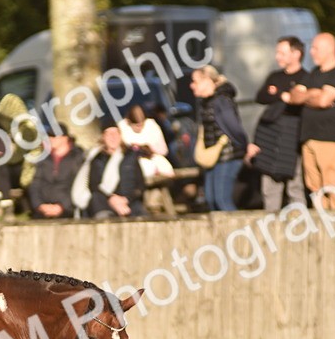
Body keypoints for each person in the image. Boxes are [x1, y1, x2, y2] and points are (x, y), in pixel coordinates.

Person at [283, 33, 335, 211]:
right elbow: (293, 96)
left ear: (330, 49)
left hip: (329, 138)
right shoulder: (313, 73)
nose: (311, 52)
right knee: (314, 185)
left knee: (332, 182)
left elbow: (324, 100)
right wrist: (315, 93)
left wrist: (310, 95)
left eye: (315, 48)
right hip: (308, 137)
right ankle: (321, 221)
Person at [245, 36, 307, 211]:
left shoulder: (306, 77)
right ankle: (271, 225)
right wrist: (282, 95)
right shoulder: (275, 76)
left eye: (282, 52)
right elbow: (261, 96)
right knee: (270, 186)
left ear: (296, 54)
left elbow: (300, 102)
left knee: (295, 186)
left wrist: (279, 94)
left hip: (293, 139)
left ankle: (299, 225)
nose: (277, 57)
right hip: (271, 139)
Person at [189, 65, 249, 211]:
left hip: (228, 156)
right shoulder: (206, 101)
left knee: (221, 199)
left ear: (207, 80)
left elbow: (234, 126)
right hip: (213, 157)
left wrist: (245, 145)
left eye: (195, 81)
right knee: (210, 199)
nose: (191, 86)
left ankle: (236, 232)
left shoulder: (221, 100)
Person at [72, 123, 147, 219]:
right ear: (103, 137)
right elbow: (94, 185)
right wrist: (112, 199)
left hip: (129, 202)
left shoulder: (130, 156)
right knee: (97, 204)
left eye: (116, 133)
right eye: (109, 134)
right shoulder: (96, 159)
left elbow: (140, 184)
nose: (113, 137)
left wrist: (125, 199)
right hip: (104, 202)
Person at [28, 121, 84, 218]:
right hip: (42, 210)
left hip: (68, 210)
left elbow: (78, 185)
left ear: (65, 138)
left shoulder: (77, 158)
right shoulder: (43, 159)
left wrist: (62, 206)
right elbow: (35, 184)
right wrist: (39, 205)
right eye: (49, 136)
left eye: (54, 136)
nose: (51, 139)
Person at [118, 104, 175, 180]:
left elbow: (164, 150)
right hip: (132, 162)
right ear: (129, 122)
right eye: (136, 126)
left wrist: (149, 149)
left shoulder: (151, 126)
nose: (139, 128)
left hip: (152, 158)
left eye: (141, 125)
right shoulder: (122, 127)